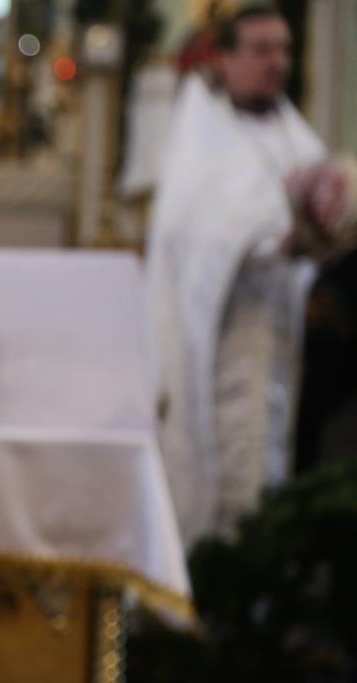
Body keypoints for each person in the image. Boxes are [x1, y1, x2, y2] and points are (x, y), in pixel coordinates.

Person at [146, 6, 335, 545]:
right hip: (223, 340)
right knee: (230, 473)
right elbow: (192, 236)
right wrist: (276, 241)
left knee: (272, 471)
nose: (277, 62)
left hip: (284, 339)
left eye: (284, 49)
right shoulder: (201, 136)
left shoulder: (294, 136)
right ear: (224, 58)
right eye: (260, 49)